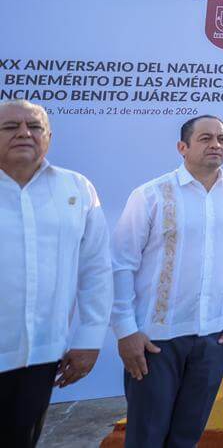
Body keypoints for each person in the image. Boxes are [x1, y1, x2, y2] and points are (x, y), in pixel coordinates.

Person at [111, 114, 223, 448]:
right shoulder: (151, 195)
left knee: (187, 436)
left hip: (212, 338)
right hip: (155, 339)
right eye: (205, 138)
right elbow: (120, 265)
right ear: (182, 147)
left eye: (222, 138)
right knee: (145, 437)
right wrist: (125, 330)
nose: (216, 145)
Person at [0, 101, 112, 447]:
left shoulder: (76, 189)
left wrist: (90, 339)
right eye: (10, 127)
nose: (23, 133)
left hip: (41, 355)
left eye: (34, 127)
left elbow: (96, 269)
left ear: (48, 137)